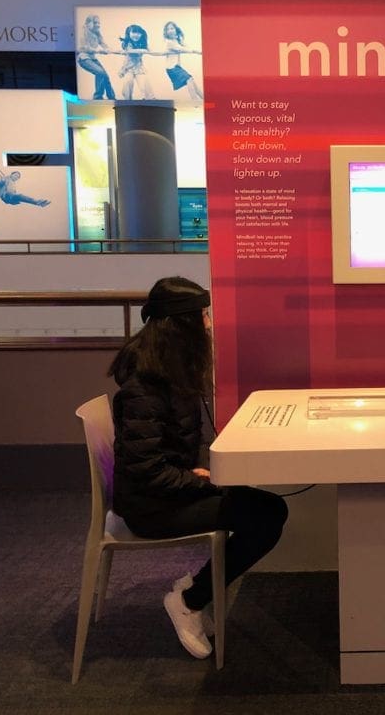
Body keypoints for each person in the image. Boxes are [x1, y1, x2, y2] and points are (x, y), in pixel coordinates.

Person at [109, 276, 288, 659]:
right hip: (151, 507)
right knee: (268, 516)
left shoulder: (168, 371)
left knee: (269, 510)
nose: (209, 324)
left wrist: (205, 470)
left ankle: (196, 589)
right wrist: (201, 480)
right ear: (181, 326)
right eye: (203, 316)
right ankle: (190, 599)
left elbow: (191, 439)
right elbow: (147, 471)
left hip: (173, 490)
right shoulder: (144, 387)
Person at [77, 14, 115, 100]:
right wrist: (99, 51)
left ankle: (112, 97)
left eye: (98, 23)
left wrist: (110, 49)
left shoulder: (97, 33)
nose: (98, 25)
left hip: (92, 58)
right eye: (95, 23)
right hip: (83, 58)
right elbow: (84, 47)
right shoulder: (82, 32)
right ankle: (98, 97)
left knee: (105, 76)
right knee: (100, 73)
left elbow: (103, 44)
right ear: (88, 23)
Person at [162, 21, 204, 100]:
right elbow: (183, 49)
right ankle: (196, 103)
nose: (170, 31)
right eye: (168, 29)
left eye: (172, 28)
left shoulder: (176, 41)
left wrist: (181, 40)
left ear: (176, 30)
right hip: (171, 68)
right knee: (189, 79)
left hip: (176, 67)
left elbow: (186, 47)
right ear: (166, 32)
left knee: (193, 84)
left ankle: (206, 102)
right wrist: (197, 52)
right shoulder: (169, 42)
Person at [117, 23, 155, 100]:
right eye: (134, 32)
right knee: (128, 82)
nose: (136, 35)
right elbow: (130, 51)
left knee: (144, 84)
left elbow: (150, 51)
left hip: (138, 67)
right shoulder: (127, 43)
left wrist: (151, 51)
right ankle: (128, 99)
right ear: (129, 33)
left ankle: (149, 98)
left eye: (138, 33)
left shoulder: (142, 43)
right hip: (128, 67)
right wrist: (142, 50)